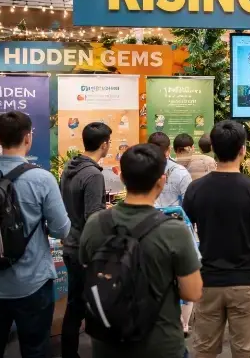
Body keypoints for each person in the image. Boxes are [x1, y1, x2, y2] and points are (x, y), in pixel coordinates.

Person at [79, 144, 203, 358]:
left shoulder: (95, 223)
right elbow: (192, 292)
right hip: (160, 343)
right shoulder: (174, 230)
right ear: (161, 181)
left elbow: (86, 270)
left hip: (107, 341)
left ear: (122, 178)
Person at [0, 111, 70, 358]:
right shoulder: (41, 179)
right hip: (31, 282)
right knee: (35, 349)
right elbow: (61, 229)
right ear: (28, 137)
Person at [185, 120, 250, 357]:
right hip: (245, 283)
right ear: (243, 149)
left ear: (213, 149)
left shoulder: (195, 189)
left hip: (207, 282)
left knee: (204, 351)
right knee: (245, 351)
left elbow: (184, 237)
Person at [59, 122, 111, 358]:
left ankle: (69, 352)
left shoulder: (69, 168)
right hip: (85, 248)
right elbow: (93, 217)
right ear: (104, 144)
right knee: (92, 304)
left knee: (75, 305)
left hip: (70, 243)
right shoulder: (93, 174)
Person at [148, 132, 192, 208]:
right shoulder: (181, 172)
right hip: (174, 214)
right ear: (169, 149)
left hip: (146, 214)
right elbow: (188, 203)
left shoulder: (139, 169)